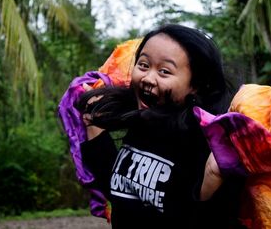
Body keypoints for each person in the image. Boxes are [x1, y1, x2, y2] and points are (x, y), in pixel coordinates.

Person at [74, 24, 247, 228]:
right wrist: (93, 123)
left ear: (195, 85)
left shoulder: (207, 142)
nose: (148, 78)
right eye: (144, 65)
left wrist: (210, 182)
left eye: (164, 71)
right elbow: (119, 190)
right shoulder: (143, 124)